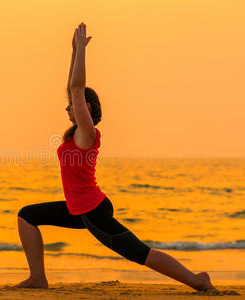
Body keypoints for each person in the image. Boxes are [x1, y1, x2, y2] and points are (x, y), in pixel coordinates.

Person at [14, 22, 216, 292]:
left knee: (140, 254)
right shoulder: (76, 134)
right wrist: (75, 50)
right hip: (79, 209)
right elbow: (72, 88)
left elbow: (77, 87)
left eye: (73, 105)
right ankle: (38, 278)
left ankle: (197, 280)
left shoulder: (88, 133)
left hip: (93, 211)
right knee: (27, 216)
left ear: (85, 107)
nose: (67, 107)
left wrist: (83, 54)